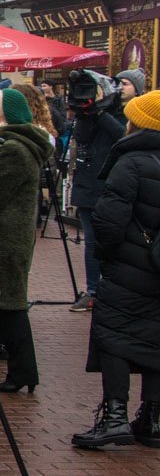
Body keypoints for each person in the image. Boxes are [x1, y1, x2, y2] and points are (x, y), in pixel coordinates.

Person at [71, 89, 160, 448]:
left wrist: (112, 254)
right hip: (157, 268)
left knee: (113, 336)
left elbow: (107, 221)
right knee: (155, 338)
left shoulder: (131, 162)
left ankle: (115, 415)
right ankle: (153, 418)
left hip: (127, 266)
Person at [0, 89, 53, 394]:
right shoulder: (11, 145)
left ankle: (23, 372)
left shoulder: (12, 150)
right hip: (1, 239)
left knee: (8, 307)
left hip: (1, 242)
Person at [69, 75, 126, 311]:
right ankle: (92, 291)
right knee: (91, 243)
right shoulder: (88, 112)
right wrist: (86, 113)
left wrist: (102, 113)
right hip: (88, 186)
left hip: (113, 186)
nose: (122, 87)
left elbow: (122, 135)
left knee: (114, 241)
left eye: (127, 84)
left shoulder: (129, 113)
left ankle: (113, 288)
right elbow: (81, 137)